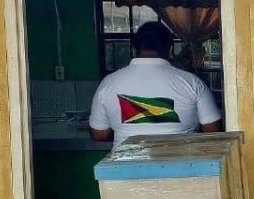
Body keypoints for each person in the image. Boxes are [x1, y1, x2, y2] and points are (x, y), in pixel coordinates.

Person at [89, 21, 222, 146]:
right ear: (170, 50)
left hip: (126, 167)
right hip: (181, 167)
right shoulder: (193, 83)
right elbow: (213, 130)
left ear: (134, 50)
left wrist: (128, 128)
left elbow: (99, 135)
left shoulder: (109, 83)